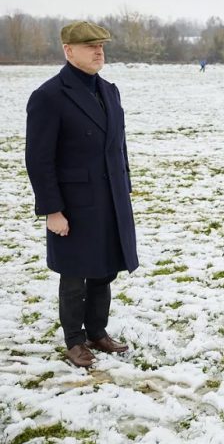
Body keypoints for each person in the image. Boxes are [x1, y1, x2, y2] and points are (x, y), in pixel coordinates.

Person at [25, 21, 139, 368]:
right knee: (74, 274)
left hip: (110, 198)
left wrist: (125, 188)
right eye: (90, 46)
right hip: (74, 204)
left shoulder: (109, 90)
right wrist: (52, 210)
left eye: (101, 45)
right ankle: (75, 340)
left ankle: (97, 331)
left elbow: (119, 147)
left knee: (105, 270)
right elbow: (39, 159)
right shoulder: (49, 96)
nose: (98, 51)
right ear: (68, 50)